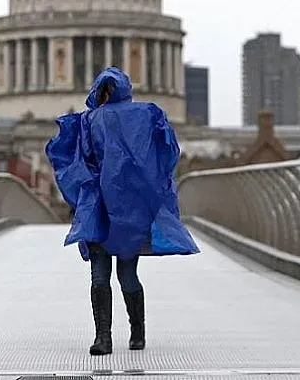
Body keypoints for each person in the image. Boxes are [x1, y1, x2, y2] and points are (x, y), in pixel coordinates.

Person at [46, 67, 200, 355]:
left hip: (101, 208)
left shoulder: (88, 121)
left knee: (106, 276)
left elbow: (72, 160)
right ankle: (124, 335)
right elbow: (165, 154)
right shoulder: (146, 115)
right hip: (128, 210)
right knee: (121, 275)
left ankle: (114, 336)